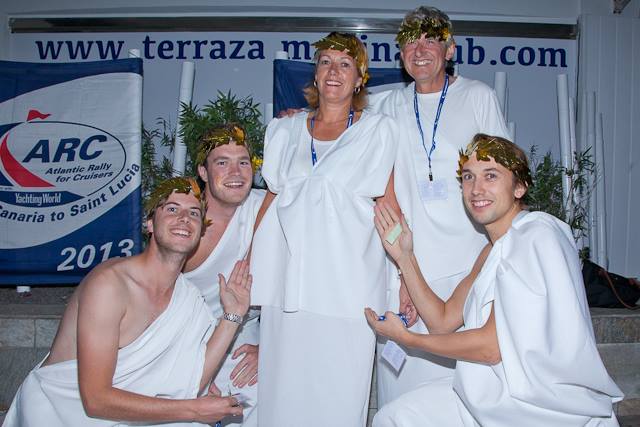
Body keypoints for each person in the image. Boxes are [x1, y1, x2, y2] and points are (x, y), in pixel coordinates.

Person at [366, 134, 623, 426]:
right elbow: (442, 321)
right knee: (396, 416)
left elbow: (490, 348)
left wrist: (409, 339)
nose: (476, 189)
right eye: (468, 177)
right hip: (495, 389)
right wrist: (405, 258)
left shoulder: (536, 235)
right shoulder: (492, 249)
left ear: (519, 186)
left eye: (491, 176)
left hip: (542, 403)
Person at [3, 177, 252, 427]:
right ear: (149, 223)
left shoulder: (187, 298)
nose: (184, 218)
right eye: (172, 209)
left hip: (117, 414)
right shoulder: (110, 286)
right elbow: (95, 400)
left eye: (194, 213)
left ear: (201, 231)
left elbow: (191, 382)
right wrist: (193, 410)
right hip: (59, 413)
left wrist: (232, 315)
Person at [250, 32, 397, 426]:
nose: (334, 71)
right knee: (284, 394)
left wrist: (405, 278)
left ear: (360, 79)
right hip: (288, 285)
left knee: (338, 396)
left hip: (349, 287)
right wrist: (247, 262)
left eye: (345, 64)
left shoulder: (379, 129)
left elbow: (390, 206)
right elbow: (270, 198)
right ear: (315, 74)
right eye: (326, 62)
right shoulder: (284, 130)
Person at [368, 6, 512, 407]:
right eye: (410, 41)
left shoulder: (478, 97)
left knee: (462, 393)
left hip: (467, 270)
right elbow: (381, 187)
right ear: (400, 53)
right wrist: (403, 275)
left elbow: (503, 177)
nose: (420, 50)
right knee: (404, 398)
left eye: (431, 40)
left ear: (449, 50)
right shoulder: (386, 106)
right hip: (404, 268)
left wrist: (497, 255)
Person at [183, 124, 265, 426]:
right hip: (185, 338)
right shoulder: (183, 222)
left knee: (264, 395)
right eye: (222, 162)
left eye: (243, 162)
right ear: (203, 172)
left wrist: (270, 348)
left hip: (244, 333)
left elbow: (298, 285)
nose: (236, 173)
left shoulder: (265, 207)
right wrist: (196, 375)